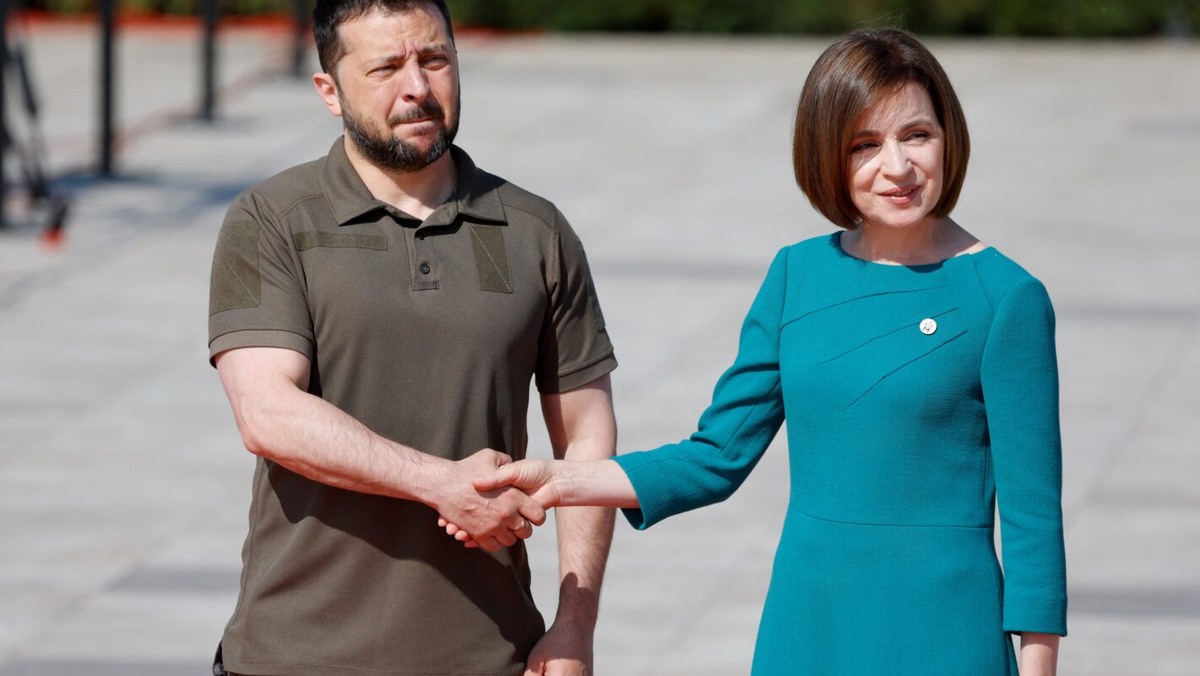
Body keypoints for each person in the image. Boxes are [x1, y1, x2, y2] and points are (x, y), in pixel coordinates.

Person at [447, 28, 1068, 675]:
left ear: (947, 136)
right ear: (828, 154)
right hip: (808, 626)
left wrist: (1038, 667)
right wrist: (562, 480)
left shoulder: (1005, 298)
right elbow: (716, 456)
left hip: (944, 632)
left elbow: (1032, 522)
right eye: (865, 144)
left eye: (916, 134)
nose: (898, 166)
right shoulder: (796, 276)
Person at [206, 0, 618, 674]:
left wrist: (576, 624)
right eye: (386, 67)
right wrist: (439, 484)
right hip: (293, 656)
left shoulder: (535, 230)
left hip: (491, 657)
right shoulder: (270, 220)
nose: (417, 88)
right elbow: (268, 415)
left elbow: (587, 438)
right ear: (329, 91)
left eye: (434, 60)